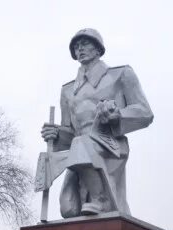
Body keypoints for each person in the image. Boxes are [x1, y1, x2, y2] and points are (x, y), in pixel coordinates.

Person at [41, 28, 153, 218]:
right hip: (79, 151)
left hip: (110, 145)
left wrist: (117, 115)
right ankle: (97, 201)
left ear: (98, 48)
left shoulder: (121, 74)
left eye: (85, 44)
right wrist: (56, 134)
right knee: (68, 208)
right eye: (76, 47)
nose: (80, 49)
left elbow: (145, 113)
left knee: (80, 145)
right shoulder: (68, 91)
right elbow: (70, 134)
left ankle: (100, 199)